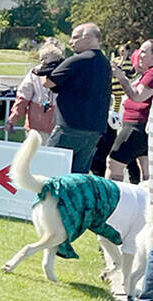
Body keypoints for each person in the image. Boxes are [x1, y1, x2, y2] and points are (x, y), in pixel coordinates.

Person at [35, 23, 115, 173]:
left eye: (75, 37)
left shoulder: (77, 60)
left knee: (49, 171)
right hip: (95, 129)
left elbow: (48, 82)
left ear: (89, 38)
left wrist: (45, 65)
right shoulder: (105, 63)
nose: (71, 42)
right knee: (78, 176)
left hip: (69, 127)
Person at [105, 41, 153, 183]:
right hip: (135, 124)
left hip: (136, 125)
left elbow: (138, 96)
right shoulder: (145, 74)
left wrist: (121, 77)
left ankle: (112, 200)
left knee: (113, 164)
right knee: (145, 171)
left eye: (144, 51)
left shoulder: (151, 74)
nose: (139, 54)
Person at [7, 42, 63, 137]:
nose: (44, 61)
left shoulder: (65, 72)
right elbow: (23, 97)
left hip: (59, 124)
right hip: (36, 124)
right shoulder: (35, 73)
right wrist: (13, 118)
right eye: (43, 58)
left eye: (46, 57)